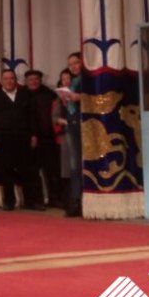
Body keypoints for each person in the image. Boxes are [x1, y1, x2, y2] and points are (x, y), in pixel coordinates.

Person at [0, 68, 35, 211]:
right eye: (6, 79)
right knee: (6, 171)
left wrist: (33, 135)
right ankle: (9, 202)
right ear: (1, 81)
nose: (9, 81)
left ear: (15, 80)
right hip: (3, 138)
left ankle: (30, 201)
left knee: (26, 170)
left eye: (11, 78)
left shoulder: (24, 94)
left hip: (23, 137)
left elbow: (32, 117)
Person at [18, 68, 60, 209]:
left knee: (52, 170)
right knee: (32, 172)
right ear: (26, 81)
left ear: (40, 80)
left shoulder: (49, 94)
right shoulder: (21, 95)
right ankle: (35, 201)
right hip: (28, 139)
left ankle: (54, 199)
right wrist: (30, 135)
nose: (34, 82)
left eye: (36, 79)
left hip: (48, 138)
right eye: (31, 80)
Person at [59, 52, 84, 217]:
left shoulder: (87, 80)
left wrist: (79, 97)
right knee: (74, 165)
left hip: (85, 123)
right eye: (70, 64)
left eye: (76, 62)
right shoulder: (72, 82)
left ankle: (84, 199)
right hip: (72, 123)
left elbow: (97, 98)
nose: (73, 67)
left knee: (84, 164)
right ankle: (76, 200)